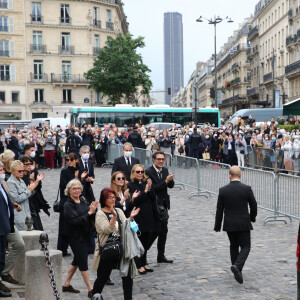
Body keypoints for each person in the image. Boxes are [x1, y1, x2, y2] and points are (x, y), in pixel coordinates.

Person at [92, 187, 141, 299]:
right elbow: (106, 230)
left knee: (127, 278)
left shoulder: (118, 211)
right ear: (103, 199)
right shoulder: (100, 213)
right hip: (108, 249)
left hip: (122, 249)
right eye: (109, 198)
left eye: (114, 197)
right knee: (102, 278)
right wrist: (113, 217)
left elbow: (127, 227)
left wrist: (132, 218)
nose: (113, 200)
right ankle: (95, 296)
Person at [214, 166, 257, 284]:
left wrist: (217, 226)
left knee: (233, 246)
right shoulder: (246, 189)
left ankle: (237, 269)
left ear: (229, 175)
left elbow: (219, 210)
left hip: (229, 223)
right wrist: (252, 218)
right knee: (246, 246)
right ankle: (237, 266)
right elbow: (254, 205)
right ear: (240, 175)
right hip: (243, 222)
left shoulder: (223, 190)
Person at [62, 179, 98, 298]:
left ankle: (66, 284)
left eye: (78, 188)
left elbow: (88, 213)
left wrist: (93, 209)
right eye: (74, 189)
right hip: (76, 237)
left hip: (86, 234)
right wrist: (89, 213)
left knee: (77, 260)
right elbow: (75, 221)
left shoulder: (82, 199)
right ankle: (90, 289)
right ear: (69, 191)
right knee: (83, 262)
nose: (77, 190)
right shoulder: (68, 205)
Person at [127, 164, 160, 275]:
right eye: (138, 172)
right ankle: (139, 263)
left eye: (141, 171)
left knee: (146, 240)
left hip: (149, 214)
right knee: (139, 241)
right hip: (138, 216)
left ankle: (144, 261)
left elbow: (153, 198)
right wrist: (145, 191)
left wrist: (149, 190)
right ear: (133, 173)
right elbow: (134, 202)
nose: (140, 174)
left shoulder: (146, 183)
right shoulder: (130, 185)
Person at [146, 151, 174, 263]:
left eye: (163, 159)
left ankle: (161, 255)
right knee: (152, 232)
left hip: (163, 205)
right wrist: (165, 182)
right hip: (153, 205)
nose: (161, 161)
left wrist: (170, 181)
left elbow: (170, 186)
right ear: (153, 159)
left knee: (163, 231)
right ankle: (143, 255)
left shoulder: (165, 170)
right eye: (159, 159)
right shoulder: (148, 172)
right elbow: (152, 189)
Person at [6, 160, 42, 231]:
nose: (22, 173)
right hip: (19, 216)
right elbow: (16, 199)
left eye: (22, 171)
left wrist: (33, 186)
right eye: (19, 171)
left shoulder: (21, 180)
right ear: (13, 171)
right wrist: (28, 190)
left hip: (27, 213)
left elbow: (27, 195)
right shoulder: (10, 183)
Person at [57, 153, 80, 256]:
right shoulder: (64, 171)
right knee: (64, 226)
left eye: (71, 160)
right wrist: (74, 179)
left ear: (76, 160)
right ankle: (62, 249)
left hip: (76, 201)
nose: (69, 162)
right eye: (67, 160)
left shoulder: (79, 169)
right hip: (66, 201)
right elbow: (63, 185)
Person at [0, 161, 14, 297]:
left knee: (1, 258)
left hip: (5, 227)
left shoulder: (1, 185)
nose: (3, 172)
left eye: (3, 170)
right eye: (0, 170)